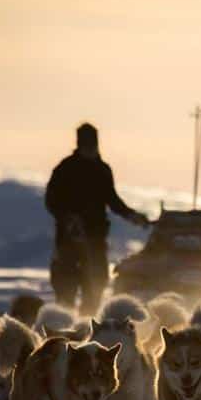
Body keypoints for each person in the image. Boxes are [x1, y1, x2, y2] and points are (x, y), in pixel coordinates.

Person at [45, 122, 149, 314]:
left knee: (93, 294)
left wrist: (133, 216)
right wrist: (68, 218)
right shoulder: (65, 169)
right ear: (80, 144)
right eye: (87, 144)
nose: (90, 148)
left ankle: (87, 333)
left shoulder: (102, 170)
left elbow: (113, 201)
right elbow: (51, 200)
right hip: (69, 243)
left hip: (95, 242)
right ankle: (64, 336)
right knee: (65, 297)